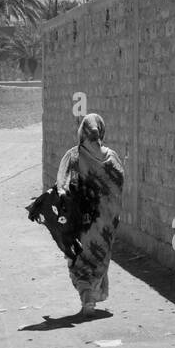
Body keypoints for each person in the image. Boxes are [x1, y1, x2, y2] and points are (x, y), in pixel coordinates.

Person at [41, 113, 125, 318]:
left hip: (83, 223)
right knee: (98, 258)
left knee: (79, 259)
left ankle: (87, 296)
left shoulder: (74, 156)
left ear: (82, 133)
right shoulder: (113, 158)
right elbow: (119, 185)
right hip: (106, 224)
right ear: (101, 131)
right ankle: (92, 295)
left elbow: (61, 184)